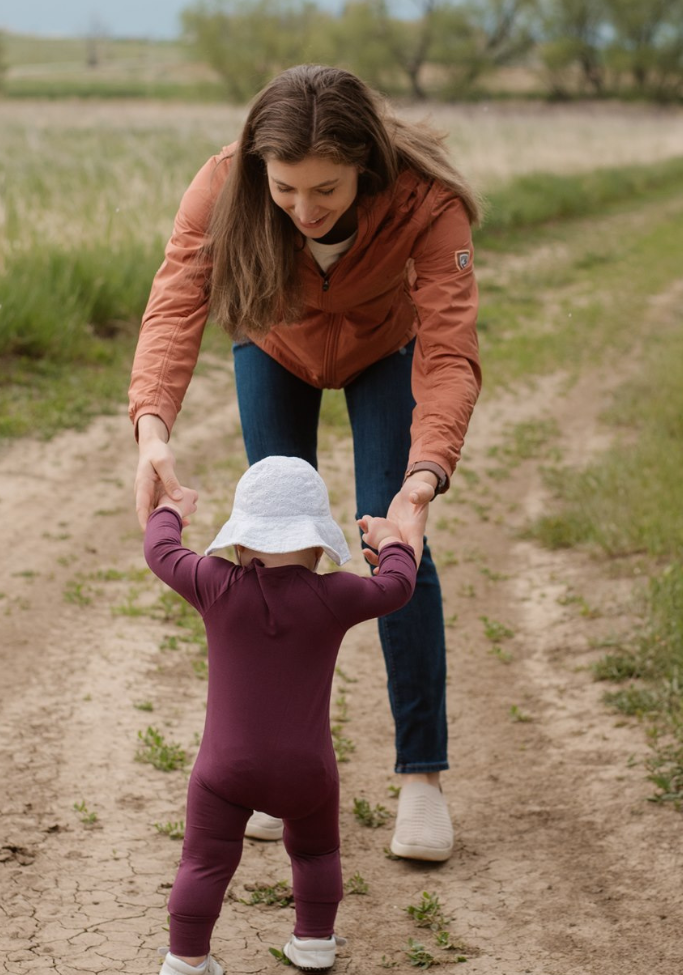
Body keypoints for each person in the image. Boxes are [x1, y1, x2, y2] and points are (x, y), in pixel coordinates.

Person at [129, 64, 481, 862]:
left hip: (386, 350)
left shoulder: (428, 204)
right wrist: (152, 430)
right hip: (274, 340)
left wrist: (422, 480)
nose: (304, 208)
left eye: (327, 189)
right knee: (276, 554)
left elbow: (451, 353)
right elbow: (177, 302)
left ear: (366, 164)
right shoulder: (225, 184)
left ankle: (421, 777)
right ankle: (268, 771)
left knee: (397, 544)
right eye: (287, 188)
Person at [146, 456, 419, 975]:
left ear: (240, 545)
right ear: (320, 547)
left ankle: (186, 961)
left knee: (203, 862)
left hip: (225, 770)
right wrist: (392, 542)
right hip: (307, 771)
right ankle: (315, 941)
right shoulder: (335, 596)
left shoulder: (214, 584)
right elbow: (396, 587)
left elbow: (160, 552)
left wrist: (170, 511)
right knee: (317, 853)